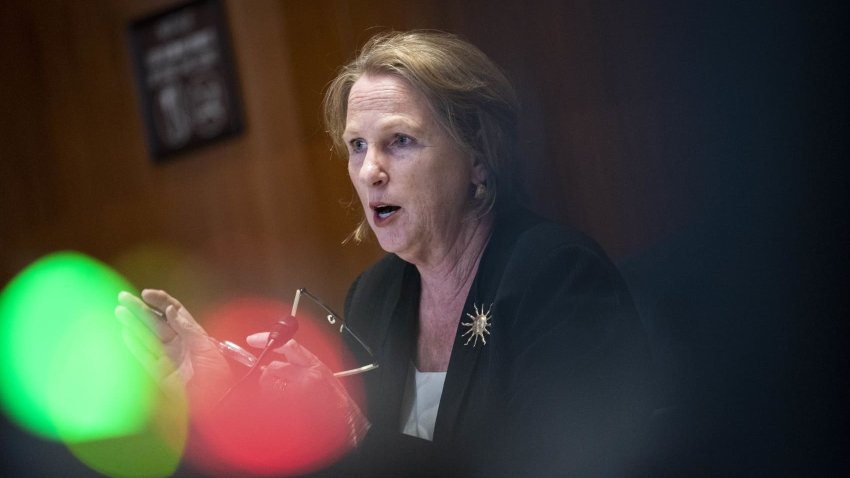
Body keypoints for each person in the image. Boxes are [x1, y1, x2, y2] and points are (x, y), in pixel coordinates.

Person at [117, 30, 654, 477]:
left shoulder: (555, 276)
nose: (370, 171)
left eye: (399, 141)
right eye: (357, 146)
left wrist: (350, 431)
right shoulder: (374, 295)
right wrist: (230, 389)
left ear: (478, 157)